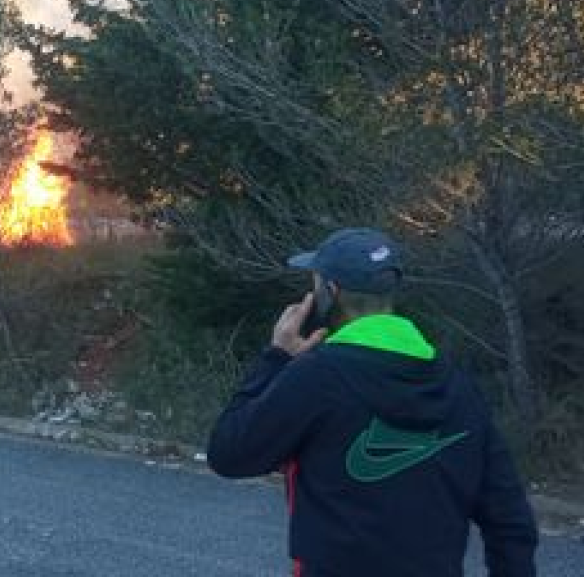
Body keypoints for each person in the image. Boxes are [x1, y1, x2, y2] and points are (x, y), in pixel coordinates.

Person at [205, 228, 538, 576]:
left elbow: (229, 454)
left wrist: (276, 357)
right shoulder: (459, 385)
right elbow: (509, 518)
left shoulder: (317, 377)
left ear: (328, 292)